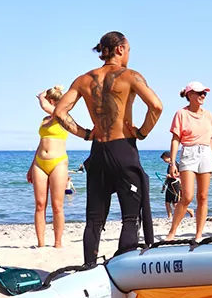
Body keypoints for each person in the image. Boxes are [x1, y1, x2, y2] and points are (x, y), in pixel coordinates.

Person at [53, 31, 162, 264]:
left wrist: (84, 133)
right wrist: (142, 132)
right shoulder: (130, 76)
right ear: (120, 49)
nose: (129, 55)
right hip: (123, 149)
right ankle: (126, 266)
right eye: (129, 50)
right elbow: (156, 106)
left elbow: (59, 112)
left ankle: (90, 267)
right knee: (130, 218)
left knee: (94, 220)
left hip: (98, 151)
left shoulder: (83, 79)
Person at [165, 81, 212, 242]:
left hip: (206, 154)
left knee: (203, 197)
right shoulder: (181, 114)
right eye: (199, 93)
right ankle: (172, 231)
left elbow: (211, 140)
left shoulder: (208, 115)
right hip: (188, 152)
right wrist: (172, 162)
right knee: (187, 196)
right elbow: (175, 139)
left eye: (205, 93)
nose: (203, 95)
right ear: (189, 95)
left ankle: (198, 235)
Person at [26, 87, 69, 248]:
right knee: (39, 204)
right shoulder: (44, 120)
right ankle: (41, 244)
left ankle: (58, 243)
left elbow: (44, 106)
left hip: (58, 162)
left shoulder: (63, 117)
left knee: (57, 205)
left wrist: (40, 96)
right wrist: (31, 166)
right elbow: (41, 144)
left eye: (50, 101)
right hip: (40, 162)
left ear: (53, 102)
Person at [160, 151, 194, 220]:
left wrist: (171, 175)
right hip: (169, 184)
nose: (164, 160)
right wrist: (164, 185)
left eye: (164, 158)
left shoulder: (175, 165)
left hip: (175, 185)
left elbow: (180, 174)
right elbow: (168, 177)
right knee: (167, 202)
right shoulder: (169, 165)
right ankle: (170, 216)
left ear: (169, 157)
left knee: (175, 204)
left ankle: (189, 210)